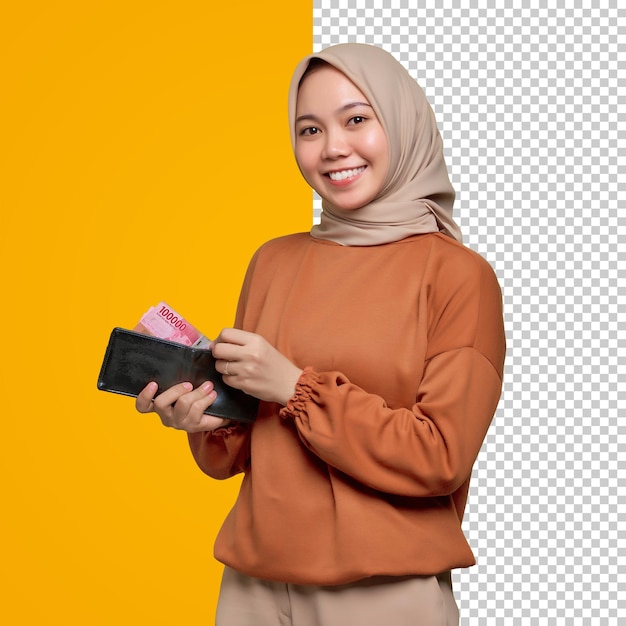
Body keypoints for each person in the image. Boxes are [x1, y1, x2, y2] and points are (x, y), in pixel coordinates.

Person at [136, 43, 505, 626]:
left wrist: (295, 387)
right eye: (309, 129)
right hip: (252, 589)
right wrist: (208, 418)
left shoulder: (459, 276)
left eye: (357, 119)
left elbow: (440, 456)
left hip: (383, 595)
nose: (332, 148)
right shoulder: (273, 261)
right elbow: (240, 452)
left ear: (403, 123)